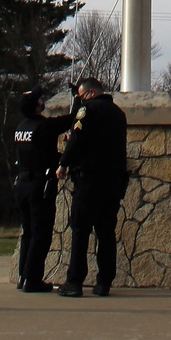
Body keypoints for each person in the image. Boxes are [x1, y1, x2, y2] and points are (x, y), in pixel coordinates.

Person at [55, 77, 128, 298]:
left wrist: (63, 163)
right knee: (106, 232)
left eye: (81, 95)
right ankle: (104, 282)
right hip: (113, 181)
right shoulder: (119, 114)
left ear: (90, 94)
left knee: (81, 230)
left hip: (89, 180)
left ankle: (74, 282)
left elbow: (77, 139)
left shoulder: (86, 111)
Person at [13, 88, 74, 292]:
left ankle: (23, 276)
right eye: (39, 99)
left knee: (28, 233)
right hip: (39, 185)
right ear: (37, 106)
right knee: (41, 234)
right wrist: (78, 101)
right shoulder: (44, 127)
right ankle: (32, 279)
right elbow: (71, 119)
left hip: (21, 183)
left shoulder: (21, 127)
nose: (42, 101)